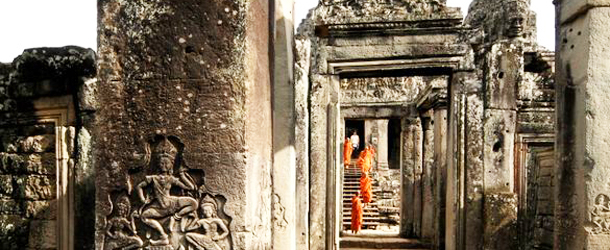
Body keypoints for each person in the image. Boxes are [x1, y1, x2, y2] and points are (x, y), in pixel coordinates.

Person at [134, 138, 198, 246]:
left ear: (171, 165)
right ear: (157, 164)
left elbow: (190, 187)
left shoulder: (171, 179)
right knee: (144, 217)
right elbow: (139, 187)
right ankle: (163, 236)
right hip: (159, 208)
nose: (164, 165)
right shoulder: (153, 178)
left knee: (193, 204)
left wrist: (182, 175)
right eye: (161, 163)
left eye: (166, 163)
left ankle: (175, 218)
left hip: (172, 203)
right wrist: (143, 199)